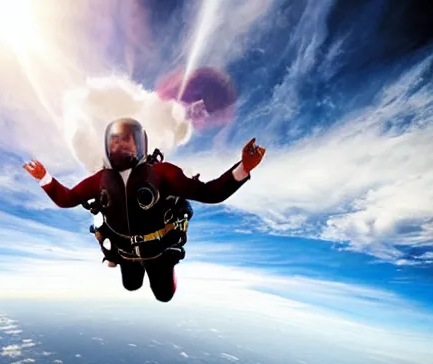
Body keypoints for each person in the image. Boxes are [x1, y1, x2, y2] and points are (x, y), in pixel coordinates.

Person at [23, 118, 265, 302]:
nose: (119, 145)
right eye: (114, 140)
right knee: (131, 286)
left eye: (126, 139)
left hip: (159, 252)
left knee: (164, 295)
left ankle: (167, 272)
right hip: (124, 252)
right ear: (107, 147)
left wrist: (244, 168)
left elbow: (210, 193)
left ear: (139, 143)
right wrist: (44, 178)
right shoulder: (101, 179)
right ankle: (133, 270)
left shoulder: (162, 173)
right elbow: (67, 199)